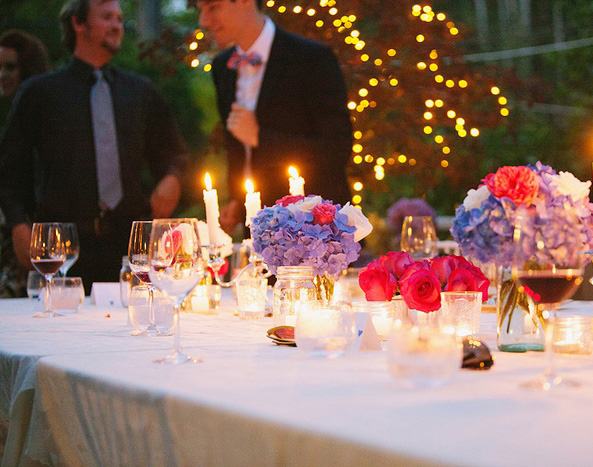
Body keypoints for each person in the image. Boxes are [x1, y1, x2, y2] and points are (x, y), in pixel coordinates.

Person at [0, 0, 189, 291]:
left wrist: (172, 178)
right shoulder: (40, 93)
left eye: (119, 18)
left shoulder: (139, 92)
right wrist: (18, 224)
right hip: (63, 248)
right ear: (79, 23)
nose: (117, 25)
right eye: (107, 17)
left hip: (131, 248)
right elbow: (9, 169)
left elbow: (173, 152)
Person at [197, 0, 353, 230]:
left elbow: (336, 148)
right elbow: (238, 149)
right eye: (201, 11)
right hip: (258, 231)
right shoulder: (222, 67)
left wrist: (260, 137)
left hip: (315, 232)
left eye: (213, 8)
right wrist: (239, 203)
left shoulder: (312, 59)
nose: (203, 21)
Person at [0, 30, 51, 297]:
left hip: (31, 233)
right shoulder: (10, 113)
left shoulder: (45, 113)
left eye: (10, 67)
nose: (2, 75)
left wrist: (22, 224)